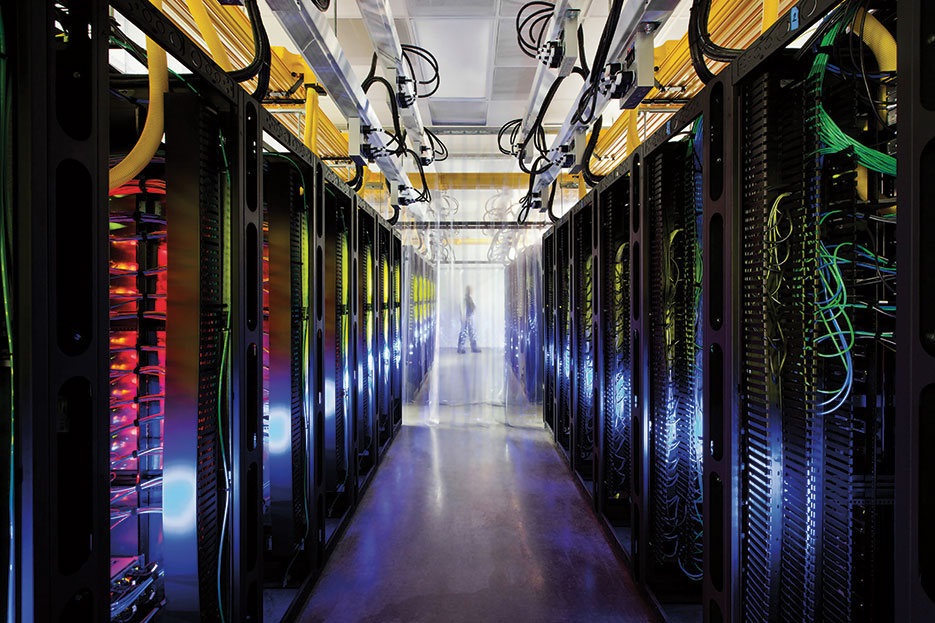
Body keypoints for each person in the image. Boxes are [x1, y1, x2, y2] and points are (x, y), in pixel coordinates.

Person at [457, 285, 481, 354]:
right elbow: (463, 309)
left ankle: (473, 347)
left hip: (469, 318)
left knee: (471, 333)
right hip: (467, 318)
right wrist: (464, 318)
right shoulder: (466, 299)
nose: (471, 291)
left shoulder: (468, 298)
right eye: (470, 290)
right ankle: (461, 348)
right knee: (464, 332)